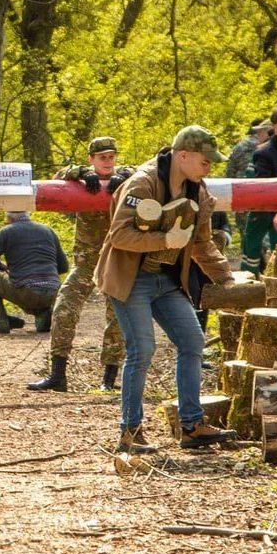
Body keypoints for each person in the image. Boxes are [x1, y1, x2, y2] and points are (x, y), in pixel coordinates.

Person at [95, 126, 238, 453]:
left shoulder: (199, 193)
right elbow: (118, 235)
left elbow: (202, 244)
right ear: (183, 155)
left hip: (168, 280)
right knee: (142, 351)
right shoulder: (143, 183)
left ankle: (191, 426)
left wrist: (227, 278)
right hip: (132, 280)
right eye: (205, 160)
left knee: (192, 341)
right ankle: (129, 433)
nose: (209, 167)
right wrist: (163, 240)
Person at [28, 137, 131, 393]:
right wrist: (82, 174)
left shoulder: (128, 177)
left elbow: (144, 173)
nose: (108, 162)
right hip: (85, 264)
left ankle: (109, 379)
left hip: (115, 263)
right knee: (63, 310)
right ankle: (57, 375)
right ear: (92, 159)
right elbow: (58, 175)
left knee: (116, 319)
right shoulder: (82, 179)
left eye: (111, 157)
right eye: (102, 157)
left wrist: (124, 176)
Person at [0, 212, 68, 334]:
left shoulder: (7, 231)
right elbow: (63, 267)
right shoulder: (48, 230)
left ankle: (2, 322)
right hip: (52, 292)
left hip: (26, 291)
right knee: (33, 288)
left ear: (9, 218)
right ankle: (43, 313)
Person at [241, 107, 277, 273]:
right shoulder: (263, 151)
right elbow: (260, 181)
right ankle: (248, 281)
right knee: (251, 245)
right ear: (274, 126)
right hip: (263, 206)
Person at [226, 120, 270, 235]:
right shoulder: (268, 146)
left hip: (240, 190)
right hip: (264, 190)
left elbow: (230, 170)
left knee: (244, 227)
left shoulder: (239, 146)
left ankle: (246, 250)